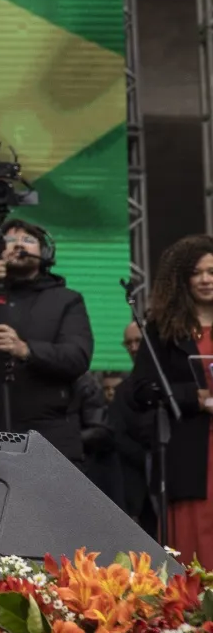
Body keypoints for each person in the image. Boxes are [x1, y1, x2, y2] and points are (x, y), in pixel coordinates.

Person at [0, 218, 93, 458]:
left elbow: (77, 357)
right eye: (10, 240)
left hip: (49, 435)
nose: (18, 244)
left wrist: (26, 350)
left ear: (44, 252)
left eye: (28, 240)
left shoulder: (67, 300)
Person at [128, 235, 213, 563]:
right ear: (181, 278)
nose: (205, 279)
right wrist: (194, 397)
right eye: (196, 272)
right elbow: (140, 389)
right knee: (195, 539)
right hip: (189, 448)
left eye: (211, 272)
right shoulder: (162, 328)